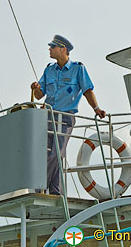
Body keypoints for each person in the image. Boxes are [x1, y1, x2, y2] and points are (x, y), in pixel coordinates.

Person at [30, 35, 106, 195]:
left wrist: (96, 108)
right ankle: (56, 191)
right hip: (47, 117)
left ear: (63, 49)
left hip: (65, 117)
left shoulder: (78, 69)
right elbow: (39, 96)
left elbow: (87, 90)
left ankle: (39, 187)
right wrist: (36, 87)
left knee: (56, 153)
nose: (49, 49)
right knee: (50, 154)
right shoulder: (49, 69)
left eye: (52, 47)